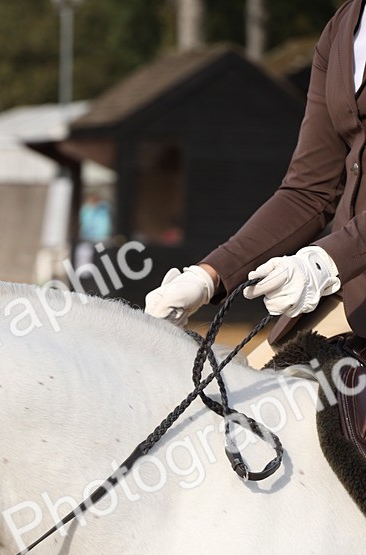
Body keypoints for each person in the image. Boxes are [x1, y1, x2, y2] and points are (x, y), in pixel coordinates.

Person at [145, 0, 366, 347]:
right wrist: (208, 276)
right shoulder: (341, 29)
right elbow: (308, 192)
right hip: (351, 294)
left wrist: (327, 260)